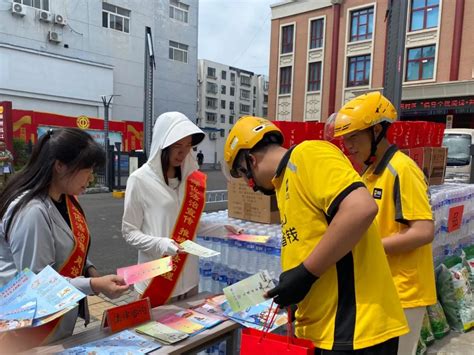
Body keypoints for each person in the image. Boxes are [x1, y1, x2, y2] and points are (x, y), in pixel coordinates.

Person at [223, 115, 408, 354]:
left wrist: (305, 275)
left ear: (250, 160)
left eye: (245, 175)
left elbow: (361, 208)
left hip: (355, 329)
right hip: (326, 329)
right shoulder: (284, 183)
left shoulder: (307, 155)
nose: (252, 185)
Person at [326, 92, 436, 355]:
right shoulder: (370, 172)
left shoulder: (402, 170)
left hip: (404, 293)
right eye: (345, 139)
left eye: (353, 137)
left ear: (376, 131)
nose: (348, 146)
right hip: (384, 288)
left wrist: (369, 247)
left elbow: (423, 230)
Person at [0, 128, 130, 351]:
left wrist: (90, 270)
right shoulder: (32, 211)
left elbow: (72, 244)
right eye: (87, 170)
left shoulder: (63, 199)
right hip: (29, 329)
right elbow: (39, 284)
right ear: (60, 166)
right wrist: (93, 284)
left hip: (55, 316)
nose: (90, 178)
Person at [122, 112, 241, 308]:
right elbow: (129, 232)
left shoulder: (190, 179)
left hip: (189, 279)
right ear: (162, 144)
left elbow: (190, 224)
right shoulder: (139, 180)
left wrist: (222, 229)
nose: (182, 153)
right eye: (177, 147)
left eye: (187, 147)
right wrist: (161, 244)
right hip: (156, 280)